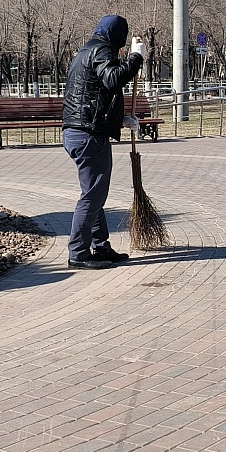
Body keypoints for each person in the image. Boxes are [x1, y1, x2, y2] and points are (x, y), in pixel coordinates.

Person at [61, 15, 145, 269]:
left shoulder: (87, 51)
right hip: (88, 135)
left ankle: (100, 247)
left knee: (94, 194)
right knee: (92, 197)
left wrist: (121, 120)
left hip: (80, 132)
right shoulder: (101, 50)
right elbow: (113, 79)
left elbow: (95, 92)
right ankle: (78, 253)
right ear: (116, 35)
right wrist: (136, 58)